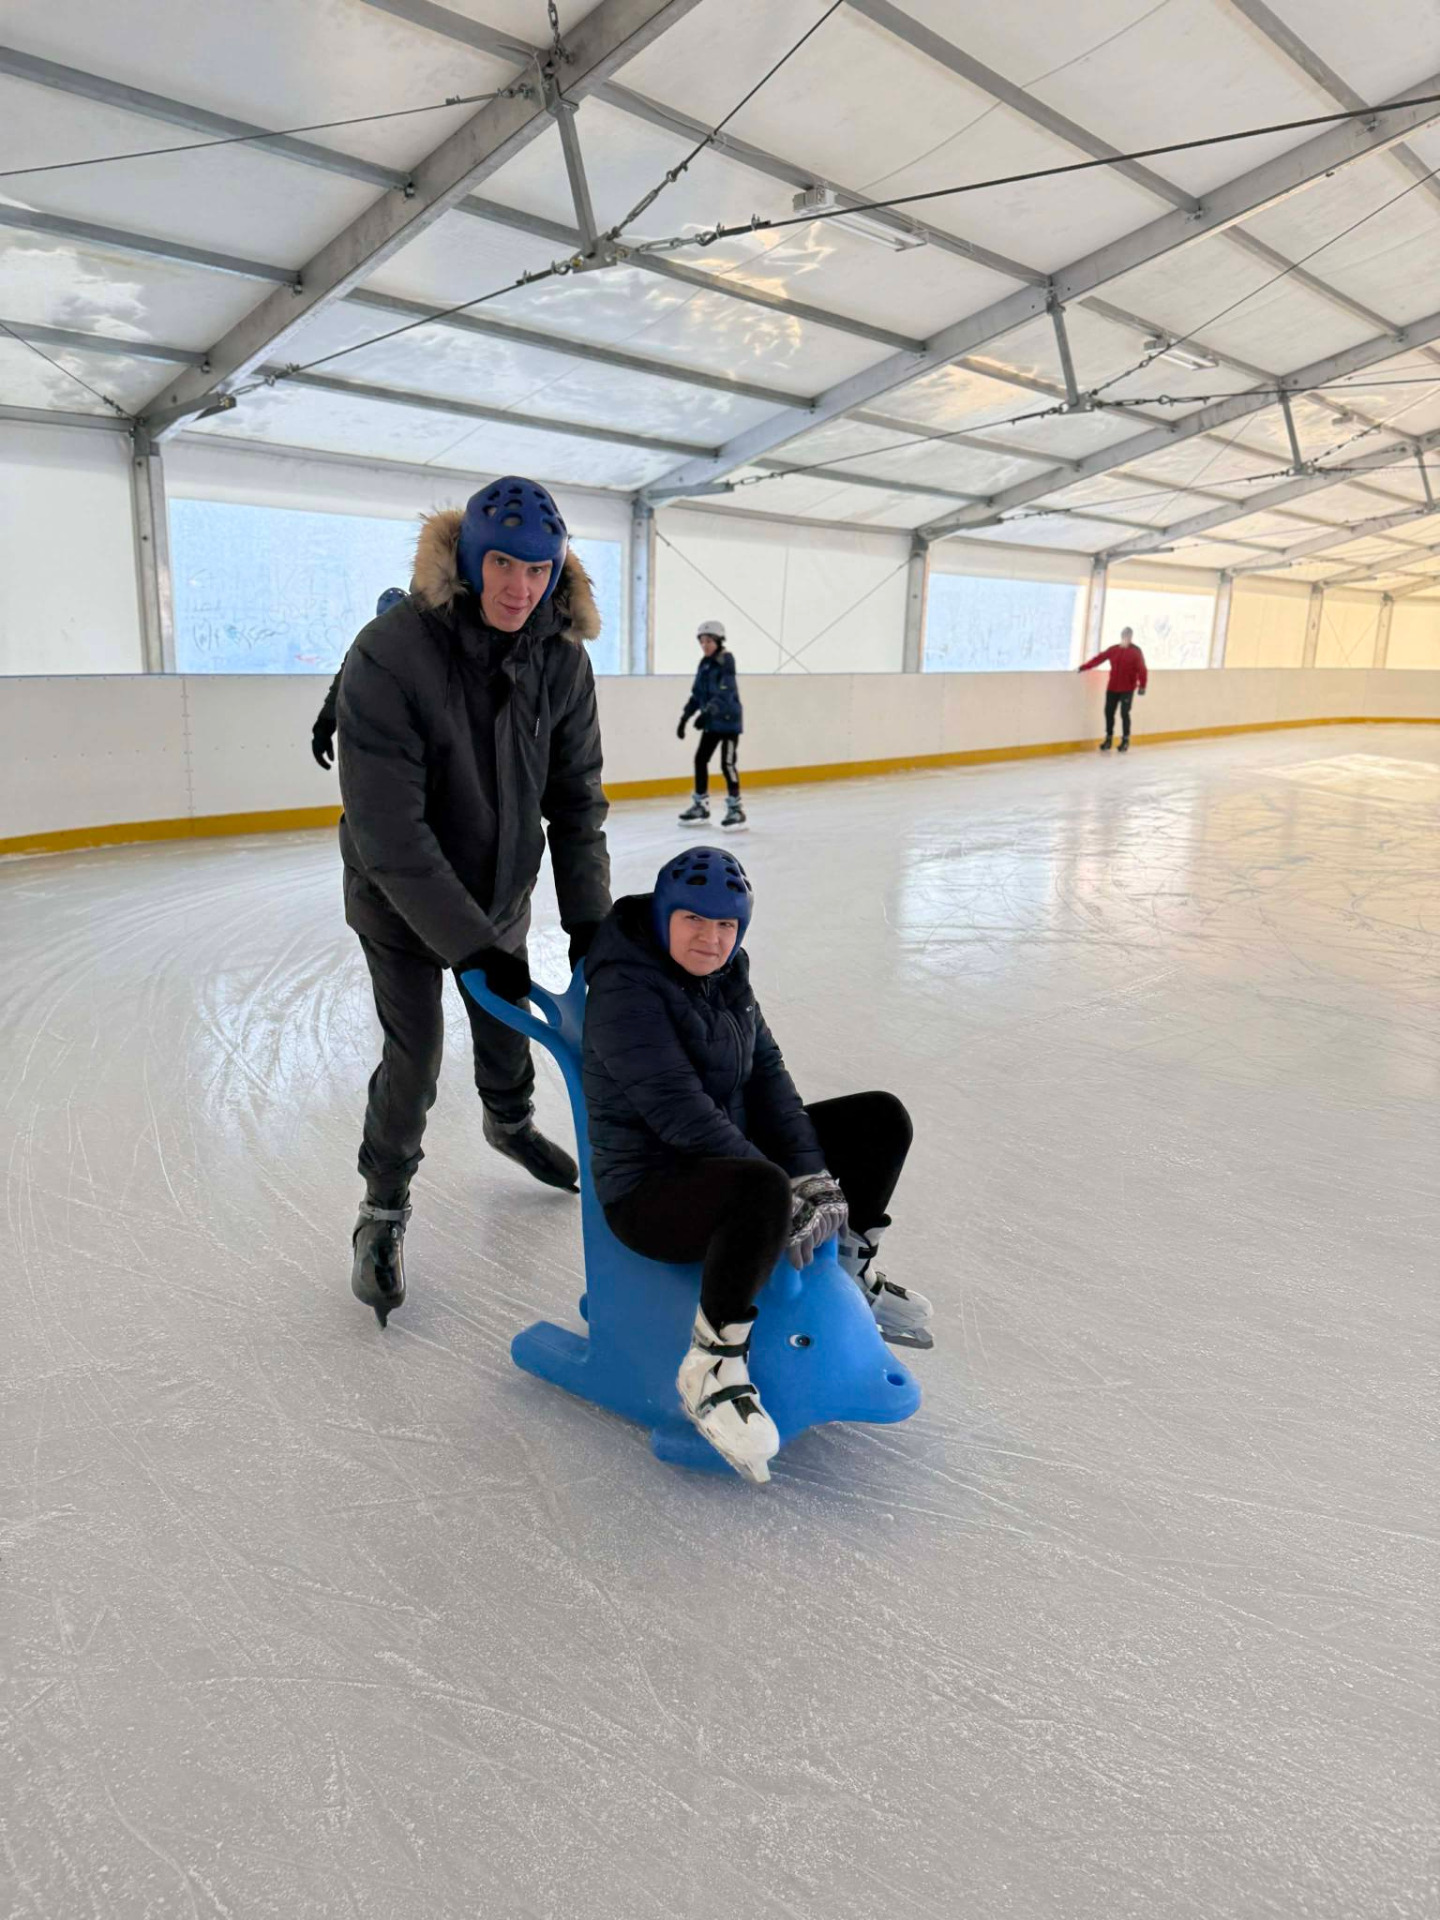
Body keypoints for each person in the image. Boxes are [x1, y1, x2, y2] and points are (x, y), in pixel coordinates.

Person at [337, 477, 611, 1327]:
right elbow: (388, 831)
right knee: (414, 1053)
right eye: (501, 563)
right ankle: (382, 1208)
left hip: (500, 890)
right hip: (399, 900)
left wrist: (593, 923)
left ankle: (509, 1122)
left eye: (537, 570)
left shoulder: (561, 657)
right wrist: (469, 942)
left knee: (507, 1021)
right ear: (465, 558)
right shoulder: (392, 651)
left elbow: (576, 800)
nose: (518, 588)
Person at [581, 846, 932, 1483]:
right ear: (663, 915)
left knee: (880, 1119)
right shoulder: (623, 986)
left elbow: (769, 1080)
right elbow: (678, 1111)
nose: (711, 939)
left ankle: (845, 1272)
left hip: (725, 1158)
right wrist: (783, 1184)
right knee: (762, 1188)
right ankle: (712, 1365)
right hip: (650, 1188)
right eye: (694, 920)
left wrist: (813, 1175)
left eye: (726, 926)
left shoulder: (728, 972)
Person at [312, 588, 406, 770]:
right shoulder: (364, 648)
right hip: (377, 748)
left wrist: (324, 726)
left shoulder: (422, 651)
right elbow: (341, 687)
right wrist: (324, 726)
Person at [676, 618, 746, 830]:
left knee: (727, 764)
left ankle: (736, 809)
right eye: (702, 641)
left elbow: (725, 693)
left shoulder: (726, 661)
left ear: (718, 641)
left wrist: (707, 713)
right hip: (712, 723)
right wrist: (685, 717)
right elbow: (697, 694)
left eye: (709, 641)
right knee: (700, 760)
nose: (705, 645)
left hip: (728, 723)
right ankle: (701, 805)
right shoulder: (704, 664)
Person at [1078, 625, 1148, 751]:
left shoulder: (1136, 652)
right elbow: (1099, 658)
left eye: (1128, 636)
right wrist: (1084, 667)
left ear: (1131, 637)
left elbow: (1142, 669)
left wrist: (1142, 685)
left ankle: (1125, 740)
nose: (1125, 638)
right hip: (1113, 687)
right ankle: (1109, 738)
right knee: (1109, 712)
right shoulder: (1114, 650)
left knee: (1124, 713)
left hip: (1127, 688)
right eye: (1124, 635)